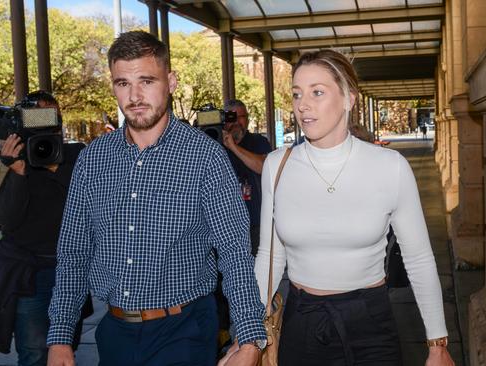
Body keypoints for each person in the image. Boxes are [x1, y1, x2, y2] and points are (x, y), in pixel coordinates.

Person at [46, 31, 266, 366]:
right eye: (123, 83)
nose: (134, 96)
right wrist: (60, 336)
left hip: (185, 332)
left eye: (146, 81)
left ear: (171, 81)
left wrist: (250, 338)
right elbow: (74, 251)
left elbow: (234, 250)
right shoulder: (93, 159)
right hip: (114, 333)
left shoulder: (205, 157)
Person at [251, 50, 454, 365]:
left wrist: (437, 344)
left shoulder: (390, 166)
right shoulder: (278, 166)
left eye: (317, 92)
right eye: (296, 94)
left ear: (349, 98)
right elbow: (270, 256)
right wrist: (249, 330)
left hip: (370, 323)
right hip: (301, 322)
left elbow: (419, 259)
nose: (302, 104)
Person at [0, 90, 91, 366]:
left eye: (51, 117)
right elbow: (8, 220)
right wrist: (17, 172)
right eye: (37, 118)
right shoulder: (14, 159)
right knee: (34, 352)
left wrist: (54, 164)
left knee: (66, 349)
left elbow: (91, 202)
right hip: (29, 273)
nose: (46, 124)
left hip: (68, 270)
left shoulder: (75, 155)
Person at [222, 99, 272, 257]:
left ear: (248, 119)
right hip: (225, 225)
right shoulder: (214, 144)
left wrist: (233, 147)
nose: (236, 122)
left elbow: (263, 167)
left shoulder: (258, 141)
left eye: (241, 117)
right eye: (231, 117)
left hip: (254, 224)